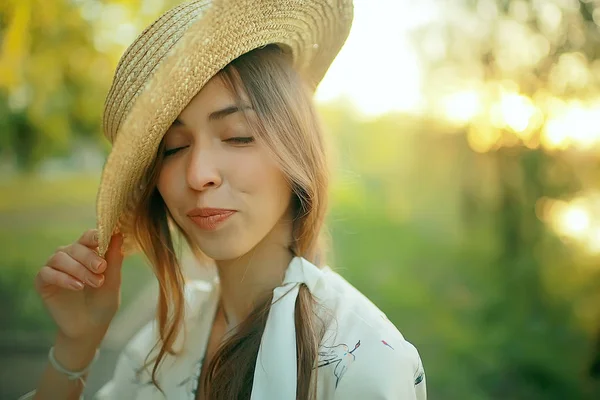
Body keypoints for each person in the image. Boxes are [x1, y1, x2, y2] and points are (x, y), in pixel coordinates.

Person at [20, 0, 426, 399]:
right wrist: (77, 345)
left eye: (237, 136)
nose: (198, 175)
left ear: (296, 147)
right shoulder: (163, 342)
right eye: (174, 147)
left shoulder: (364, 362)